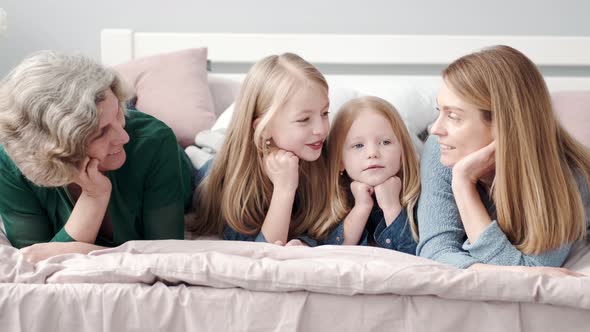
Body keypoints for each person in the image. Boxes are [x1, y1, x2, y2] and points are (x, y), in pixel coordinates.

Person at [0, 51, 194, 262]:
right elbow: (34, 263)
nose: (124, 136)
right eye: (101, 132)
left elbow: (166, 255)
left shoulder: (154, 142)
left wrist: (66, 248)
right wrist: (94, 197)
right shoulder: (9, 164)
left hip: (182, 166)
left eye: (118, 112)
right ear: (55, 146)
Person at [417, 45, 589, 275]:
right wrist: (462, 181)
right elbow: (435, 252)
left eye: (453, 116)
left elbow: (532, 271)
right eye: (439, 111)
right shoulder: (441, 150)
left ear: (504, 125)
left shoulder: (570, 175)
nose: (435, 128)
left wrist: (463, 184)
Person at [187, 53, 332, 246]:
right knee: (200, 153)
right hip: (214, 159)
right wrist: (284, 189)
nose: (321, 129)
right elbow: (262, 252)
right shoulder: (235, 182)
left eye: (325, 113)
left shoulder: (323, 156)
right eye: (304, 119)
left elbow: (332, 230)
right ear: (264, 129)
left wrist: (305, 242)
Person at [320, 96, 420, 254]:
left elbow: (420, 255)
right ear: (340, 161)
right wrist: (361, 208)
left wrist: (392, 207)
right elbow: (328, 252)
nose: (372, 153)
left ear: (403, 152)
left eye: (385, 142)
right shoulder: (332, 201)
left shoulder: (418, 196)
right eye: (358, 145)